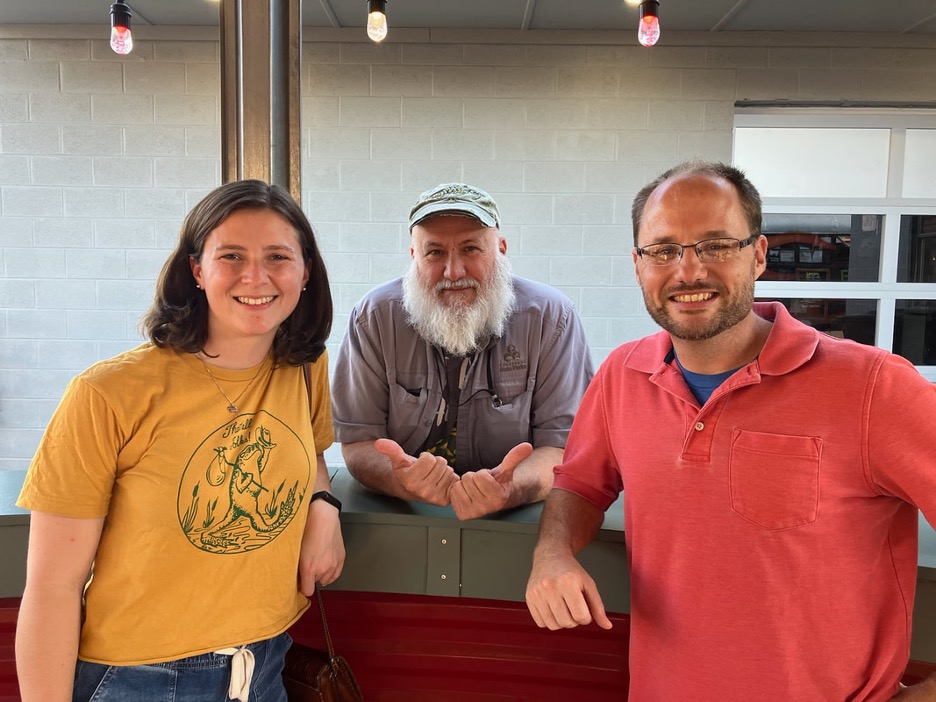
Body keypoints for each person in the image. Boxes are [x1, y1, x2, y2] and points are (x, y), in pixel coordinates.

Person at [525, 161, 936, 701]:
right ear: (637, 264)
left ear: (758, 254)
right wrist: (551, 553)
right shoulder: (622, 376)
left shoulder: (873, 387)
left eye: (716, 245)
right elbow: (580, 483)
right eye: (664, 250)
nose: (688, 271)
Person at [15, 180, 345, 702]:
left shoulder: (304, 368)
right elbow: (52, 590)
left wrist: (323, 505)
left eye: (278, 256)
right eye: (231, 255)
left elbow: (312, 454)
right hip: (138, 680)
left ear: (305, 272)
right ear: (197, 270)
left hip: (264, 666)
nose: (255, 276)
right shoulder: (107, 394)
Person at [332, 182, 594, 521]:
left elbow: (562, 448)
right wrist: (402, 481)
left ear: (501, 249)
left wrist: (510, 489)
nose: (453, 272)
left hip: (518, 521)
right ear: (414, 257)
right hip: (405, 516)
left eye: (471, 249)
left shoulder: (552, 318)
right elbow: (358, 442)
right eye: (435, 252)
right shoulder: (373, 318)